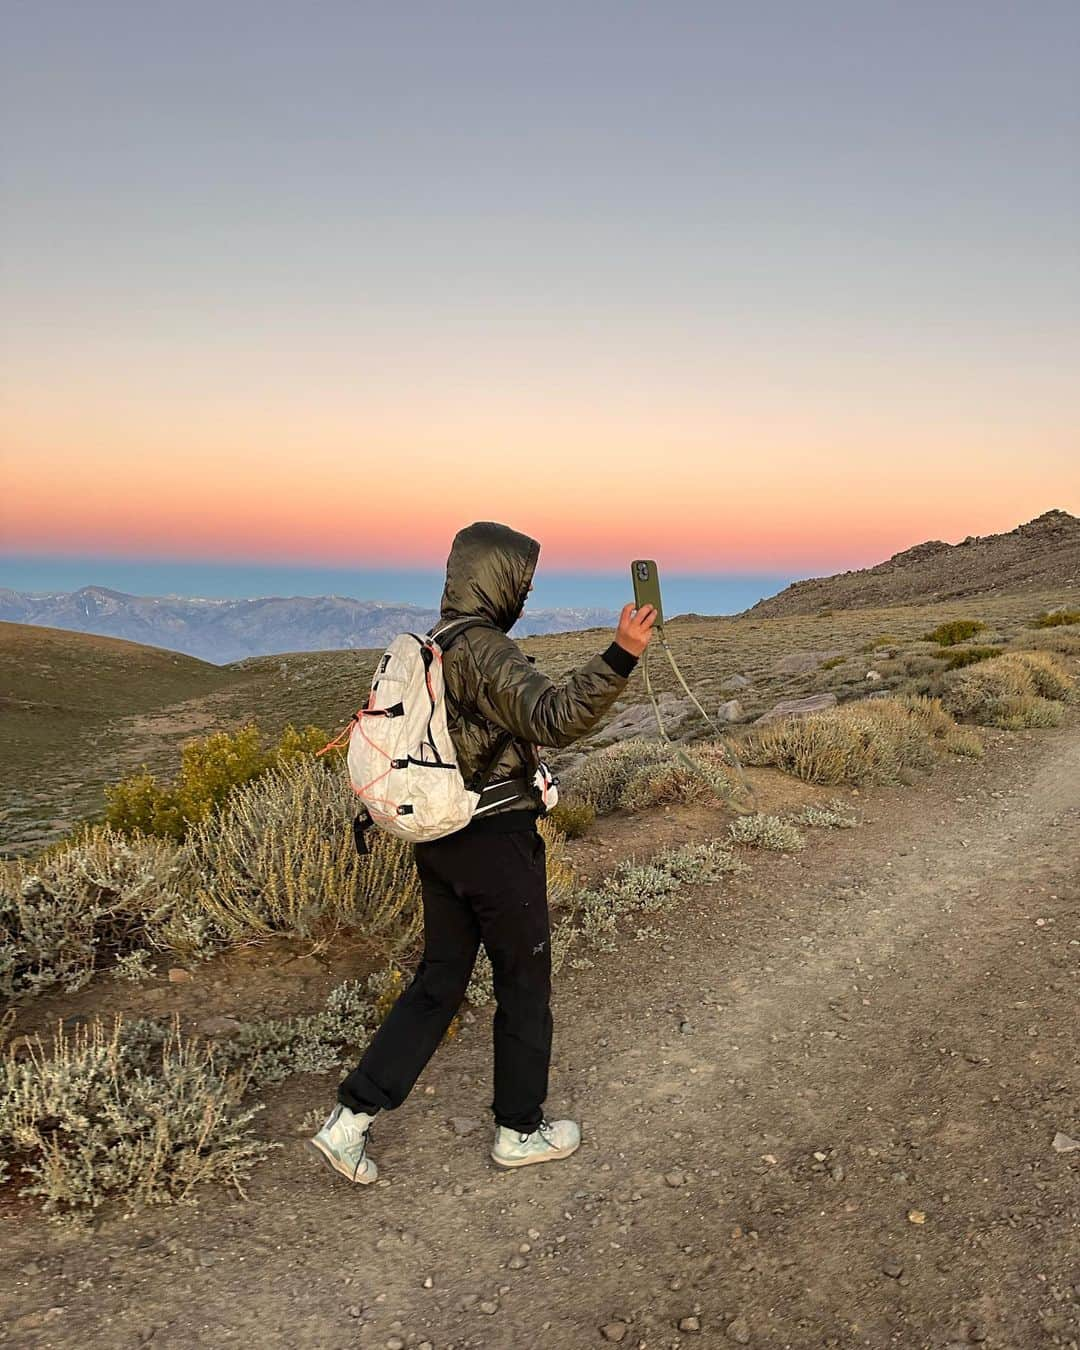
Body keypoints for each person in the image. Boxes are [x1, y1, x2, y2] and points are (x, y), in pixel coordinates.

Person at [308, 520, 656, 1183]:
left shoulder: (435, 644)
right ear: (500, 581)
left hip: (442, 841)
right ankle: (519, 1131)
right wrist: (621, 655)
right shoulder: (484, 648)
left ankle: (348, 1122)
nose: (525, 590)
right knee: (524, 985)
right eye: (522, 579)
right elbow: (554, 716)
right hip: (496, 843)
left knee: (438, 982)